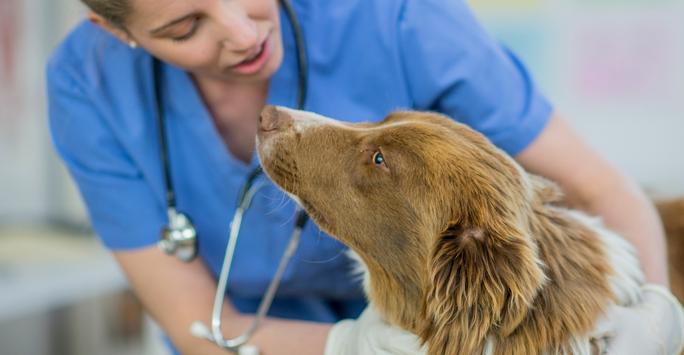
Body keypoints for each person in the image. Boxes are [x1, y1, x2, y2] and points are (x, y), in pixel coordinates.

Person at [46, 0, 683, 354]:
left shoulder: (397, 18)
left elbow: (600, 188)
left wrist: (657, 312)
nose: (241, 33)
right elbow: (202, 329)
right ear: (113, 29)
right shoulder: (88, 85)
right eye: (186, 27)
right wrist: (355, 349)